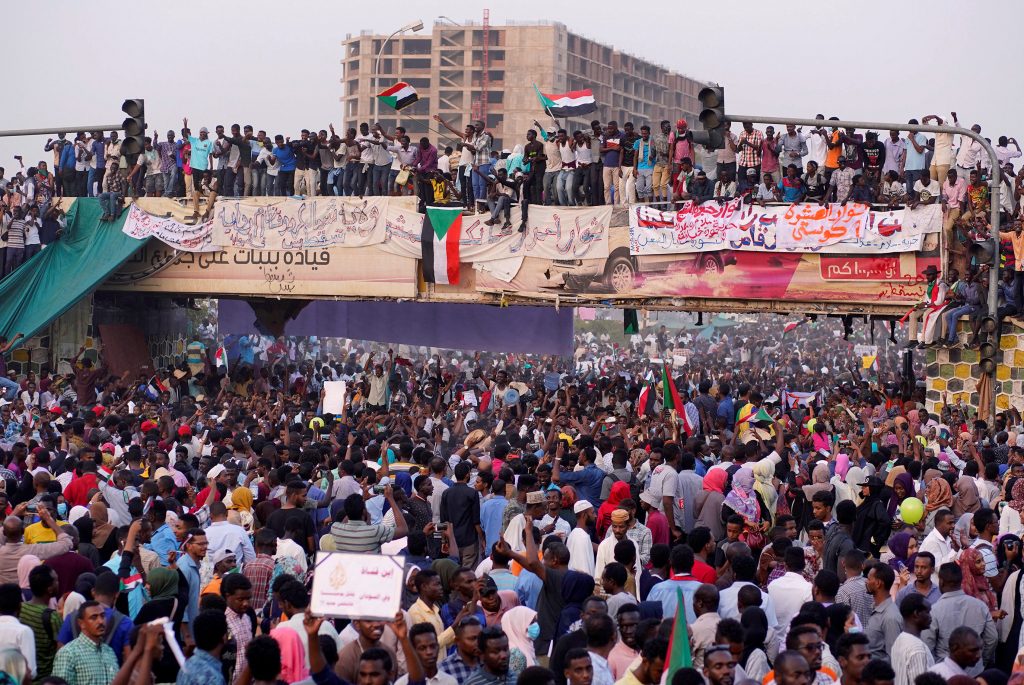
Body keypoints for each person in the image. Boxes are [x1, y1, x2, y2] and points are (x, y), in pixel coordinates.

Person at [890, 594, 933, 685]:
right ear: (916, 614)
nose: (930, 616)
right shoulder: (917, 648)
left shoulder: (899, 640)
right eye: (927, 612)